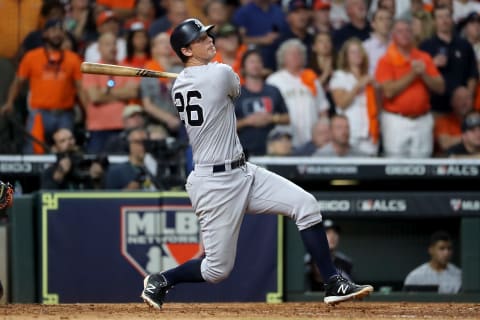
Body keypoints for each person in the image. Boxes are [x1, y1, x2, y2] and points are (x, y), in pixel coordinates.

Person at [140, 18, 373, 310]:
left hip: (242, 171)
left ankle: (333, 282)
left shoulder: (181, 85)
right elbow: (235, 90)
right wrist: (203, 73)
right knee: (216, 270)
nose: (210, 39)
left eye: (207, 35)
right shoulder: (220, 73)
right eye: (201, 39)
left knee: (306, 205)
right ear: (186, 51)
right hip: (215, 184)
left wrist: (194, 72)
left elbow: (209, 86)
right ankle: (161, 280)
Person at [2, 19, 86, 154]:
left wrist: (88, 110)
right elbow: (18, 82)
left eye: (59, 30)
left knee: (67, 151)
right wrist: (10, 102)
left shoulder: (73, 59)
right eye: (52, 30)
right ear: (45, 34)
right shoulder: (31, 57)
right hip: (39, 114)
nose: (56, 34)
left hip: (64, 113)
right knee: (33, 150)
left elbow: (81, 88)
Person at [375, 19, 445, 158]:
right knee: (395, 167)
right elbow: (388, 91)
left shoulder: (423, 57)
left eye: (408, 31)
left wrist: (424, 74)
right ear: (393, 34)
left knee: (423, 166)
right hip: (396, 120)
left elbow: (440, 87)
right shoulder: (386, 59)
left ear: (413, 34)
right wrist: (413, 74)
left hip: (422, 119)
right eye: (400, 31)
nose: (405, 34)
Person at [266, 39, 330, 149]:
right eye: (291, 53)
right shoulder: (274, 80)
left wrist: (323, 132)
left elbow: (323, 110)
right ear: (283, 57)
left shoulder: (312, 78)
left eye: (299, 53)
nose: (296, 56)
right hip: (285, 141)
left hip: (312, 141)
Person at [419, 5, 478, 115]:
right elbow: (419, 74)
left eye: (447, 16)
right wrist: (432, 64)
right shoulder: (426, 46)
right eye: (440, 17)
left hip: (461, 109)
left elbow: (472, 75)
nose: (444, 20)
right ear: (434, 21)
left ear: (452, 19)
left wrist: (468, 98)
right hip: (435, 107)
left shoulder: (464, 45)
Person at [330, 38, 380, 156]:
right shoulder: (340, 76)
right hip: (349, 133)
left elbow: (378, 107)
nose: (357, 55)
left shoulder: (369, 77)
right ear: (346, 56)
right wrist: (358, 86)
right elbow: (341, 103)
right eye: (352, 52)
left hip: (369, 134)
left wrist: (377, 90)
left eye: (359, 51)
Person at [235, 49, 290, 156]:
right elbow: (226, 126)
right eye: (251, 62)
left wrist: (271, 118)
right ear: (243, 68)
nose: (255, 65)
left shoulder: (273, 90)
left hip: (273, 149)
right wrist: (247, 121)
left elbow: (287, 118)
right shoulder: (236, 94)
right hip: (244, 150)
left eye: (258, 61)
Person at [41, 128, 107, 190]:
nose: (69, 143)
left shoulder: (87, 165)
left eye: (71, 138)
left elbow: (101, 197)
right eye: (62, 141)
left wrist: (96, 180)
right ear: (54, 148)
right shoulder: (50, 172)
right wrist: (59, 175)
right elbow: (45, 197)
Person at [306, 219, 354, 291]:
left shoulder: (345, 262)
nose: (332, 236)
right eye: (327, 233)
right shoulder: (307, 261)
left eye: (335, 233)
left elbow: (352, 291)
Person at [434, 86, 473, 155]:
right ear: (452, 102)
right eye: (459, 99)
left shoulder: (477, 119)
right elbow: (445, 144)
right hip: (448, 162)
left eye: (467, 98)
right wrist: (471, 138)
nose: (464, 102)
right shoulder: (443, 121)